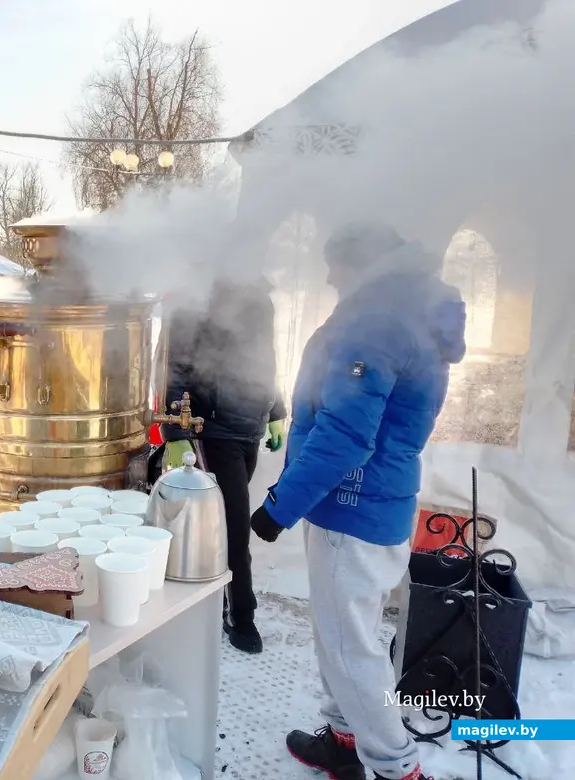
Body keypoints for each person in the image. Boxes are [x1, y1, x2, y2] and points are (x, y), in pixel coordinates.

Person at [250, 222, 467, 780]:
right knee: (344, 638)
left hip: (351, 506)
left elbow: (346, 435)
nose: (326, 276)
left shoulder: (374, 322)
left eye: (334, 264)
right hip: (377, 502)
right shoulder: (406, 311)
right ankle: (344, 740)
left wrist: (279, 505)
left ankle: (398, 768)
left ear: (361, 263)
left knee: (352, 653)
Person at [160, 275, 287, 654]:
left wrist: (276, 409)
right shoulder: (194, 297)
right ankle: (241, 617)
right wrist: (176, 434)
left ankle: (219, 599)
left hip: (250, 426)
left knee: (223, 524)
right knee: (233, 526)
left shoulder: (260, 297)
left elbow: (266, 360)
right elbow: (176, 368)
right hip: (211, 430)